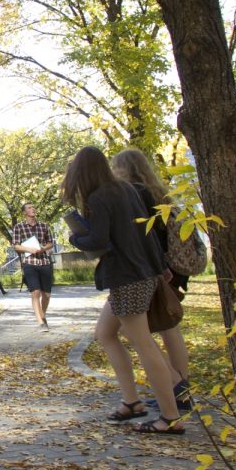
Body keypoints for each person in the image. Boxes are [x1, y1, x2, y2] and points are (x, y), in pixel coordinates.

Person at [63, 146, 184, 434]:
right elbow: (149, 232)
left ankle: (170, 416)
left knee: (144, 344)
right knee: (104, 334)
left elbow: (99, 240)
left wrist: (76, 237)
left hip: (126, 277)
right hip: (143, 272)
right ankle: (132, 402)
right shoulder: (126, 190)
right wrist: (159, 268)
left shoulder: (99, 197)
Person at [110, 148, 193, 413]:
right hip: (171, 267)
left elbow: (142, 235)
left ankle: (175, 389)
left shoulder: (133, 193)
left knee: (138, 332)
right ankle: (180, 391)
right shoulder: (158, 192)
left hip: (152, 268)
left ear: (122, 169)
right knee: (168, 327)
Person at [12, 202, 55, 329]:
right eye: (30, 208)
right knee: (35, 292)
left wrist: (43, 248)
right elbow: (16, 245)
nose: (33, 209)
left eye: (33, 207)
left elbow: (50, 243)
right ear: (24, 212)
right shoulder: (18, 227)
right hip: (29, 263)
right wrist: (29, 249)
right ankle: (41, 323)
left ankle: (43, 315)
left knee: (46, 295)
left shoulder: (44, 226)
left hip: (44, 262)